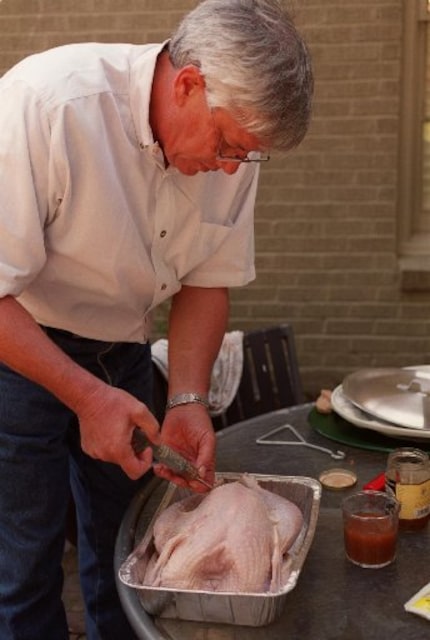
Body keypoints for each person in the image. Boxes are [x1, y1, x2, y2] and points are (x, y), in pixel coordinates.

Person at [0, 0, 313, 638]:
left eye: (247, 157)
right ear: (189, 84)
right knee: (23, 563)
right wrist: (87, 396)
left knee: (132, 553)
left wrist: (189, 398)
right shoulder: (46, 106)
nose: (231, 168)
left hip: (124, 352)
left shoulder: (233, 146)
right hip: (20, 353)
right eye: (228, 145)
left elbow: (206, 279)